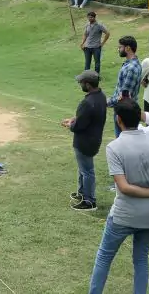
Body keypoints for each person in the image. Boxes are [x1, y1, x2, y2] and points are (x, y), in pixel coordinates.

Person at [87, 99, 149, 294]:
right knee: (140, 260)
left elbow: (123, 187)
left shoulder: (115, 147)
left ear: (118, 119)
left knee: (104, 256)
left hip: (124, 213)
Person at [64, 71, 107, 211]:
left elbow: (79, 126)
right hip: (94, 138)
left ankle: (89, 201)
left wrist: (70, 124)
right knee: (83, 169)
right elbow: (88, 118)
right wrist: (74, 119)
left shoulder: (87, 102)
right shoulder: (100, 97)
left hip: (84, 141)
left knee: (87, 171)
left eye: (81, 82)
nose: (79, 84)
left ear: (88, 84)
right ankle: (82, 193)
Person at [108, 36, 142, 138]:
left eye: (120, 47)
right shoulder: (131, 64)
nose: (118, 49)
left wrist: (106, 102)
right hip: (126, 109)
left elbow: (124, 96)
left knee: (122, 140)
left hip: (124, 111)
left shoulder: (131, 68)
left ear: (127, 48)